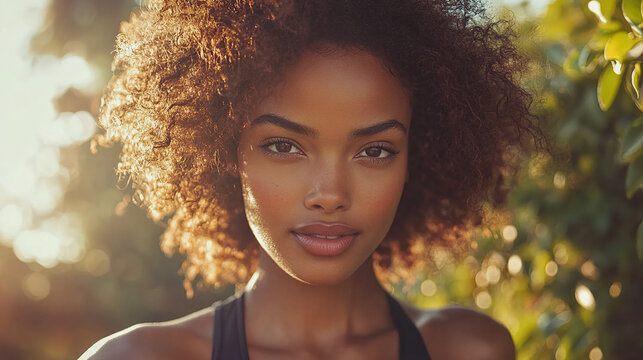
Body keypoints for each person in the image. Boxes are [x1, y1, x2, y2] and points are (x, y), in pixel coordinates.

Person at [80, 0, 546, 359]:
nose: (330, 195)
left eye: (375, 151)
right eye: (283, 146)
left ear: (417, 160)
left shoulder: (468, 351)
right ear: (225, 152)